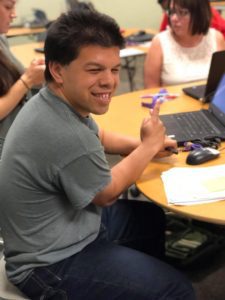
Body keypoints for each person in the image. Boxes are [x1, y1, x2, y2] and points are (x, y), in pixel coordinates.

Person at [0, 9, 195, 300]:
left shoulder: (55, 100)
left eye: (114, 69)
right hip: (48, 263)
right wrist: (147, 147)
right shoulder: (61, 130)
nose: (109, 81)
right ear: (57, 70)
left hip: (69, 227)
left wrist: (141, 145)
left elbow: (99, 135)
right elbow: (107, 192)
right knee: (177, 289)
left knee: (150, 218)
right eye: (94, 70)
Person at [144, 0, 225, 88]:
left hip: (207, 101)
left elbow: (221, 83)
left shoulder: (216, 38)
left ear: (199, 14)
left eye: (182, 13)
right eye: (171, 12)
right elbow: (150, 90)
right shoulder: (159, 42)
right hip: (172, 101)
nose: (173, 18)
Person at [0, 0, 45, 152]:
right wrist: (28, 80)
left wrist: (33, 73)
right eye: (8, 7)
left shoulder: (1, 39)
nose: (14, 14)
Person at [158, 0, 225, 39]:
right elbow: (162, 34)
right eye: (170, 10)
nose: (173, 18)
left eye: (182, 12)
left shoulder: (209, 19)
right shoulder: (170, 14)